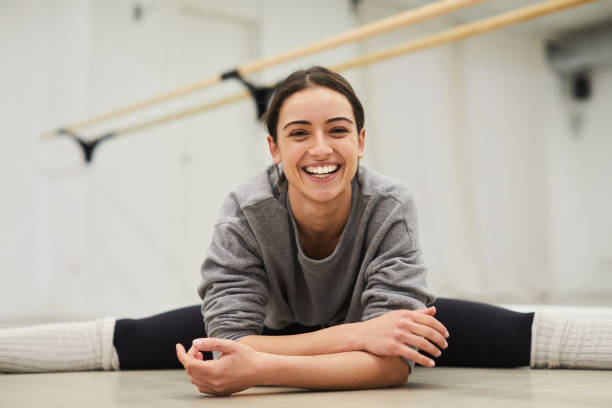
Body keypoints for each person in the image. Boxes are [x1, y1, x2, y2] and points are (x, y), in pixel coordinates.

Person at [1, 67, 610, 395]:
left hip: (373, 324)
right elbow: (230, 345)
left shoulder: (390, 202)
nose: (321, 148)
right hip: (282, 320)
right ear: (274, 147)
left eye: (338, 129)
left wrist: (263, 369)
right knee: (131, 339)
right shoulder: (246, 209)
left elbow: (393, 366)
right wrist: (356, 336)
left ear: (361, 141)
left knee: (516, 332)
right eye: (299, 133)